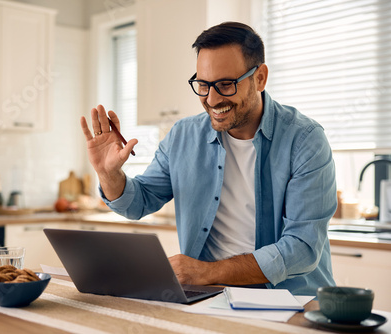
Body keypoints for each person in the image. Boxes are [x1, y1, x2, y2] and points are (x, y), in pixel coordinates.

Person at [80, 22, 337, 296]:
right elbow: (138, 203)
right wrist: (109, 175)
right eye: (203, 85)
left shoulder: (305, 140)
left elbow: (302, 249)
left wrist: (206, 272)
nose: (212, 99)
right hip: (209, 297)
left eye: (226, 84)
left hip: (289, 300)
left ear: (260, 77)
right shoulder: (182, 136)